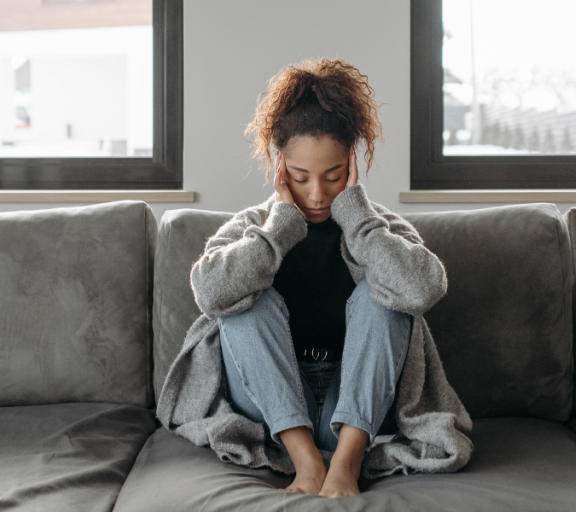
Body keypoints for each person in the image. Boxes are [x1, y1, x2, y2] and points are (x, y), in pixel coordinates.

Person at [156, 58, 472, 498]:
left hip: (361, 406)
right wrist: (276, 233)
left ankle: (345, 463)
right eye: (302, 178)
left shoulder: (377, 229)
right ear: (279, 165)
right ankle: (306, 462)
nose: (318, 194)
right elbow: (210, 293)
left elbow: (422, 288)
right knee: (246, 303)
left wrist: (360, 220)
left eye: (334, 176)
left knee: (384, 295)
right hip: (273, 408)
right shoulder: (255, 225)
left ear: (353, 165)